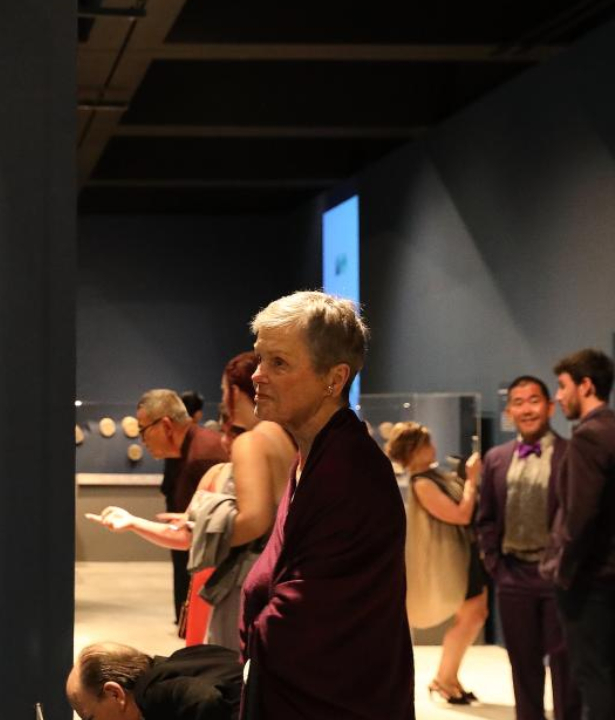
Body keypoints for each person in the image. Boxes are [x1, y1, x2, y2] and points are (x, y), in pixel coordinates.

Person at [240, 291, 413, 719]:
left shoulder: (350, 472)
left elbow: (312, 619)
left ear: (333, 380)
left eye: (278, 363)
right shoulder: (314, 454)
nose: (257, 376)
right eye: (260, 359)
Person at [88, 354, 294, 649]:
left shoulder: (252, 442)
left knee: (231, 676)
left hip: (244, 581)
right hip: (272, 577)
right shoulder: (284, 438)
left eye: (225, 391)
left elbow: (253, 520)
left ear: (236, 391)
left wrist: (200, 530)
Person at [477, 376, 580, 720]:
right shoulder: (495, 458)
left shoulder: (570, 454)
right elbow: (486, 517)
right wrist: (495, 564)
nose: (527, 408)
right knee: (523, 666)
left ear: (550, 407)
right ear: (509, 412)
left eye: (534, 400)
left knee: (565, 668)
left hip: (558, 577)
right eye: (518, 402)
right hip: (512, 576)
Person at [385, 422, 487, 705]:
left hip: (464, 553)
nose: (434, 448)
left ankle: (449, 677)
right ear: (415, 450)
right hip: (454, 557)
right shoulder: (423, 483)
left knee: (474, 614)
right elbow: (461, 515)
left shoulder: (433, 476)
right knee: (472, 615)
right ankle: (443, 679)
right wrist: (472, 479)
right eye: (428, 444)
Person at [543, 349, 615, 718]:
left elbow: (579, 516)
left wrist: (562, 573)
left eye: (562, 386)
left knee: (594, 680)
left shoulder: (589, 437)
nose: (558, 396)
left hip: (591, 583)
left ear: (586, 385)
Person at [140, 389, 228, 624]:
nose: (142, 439)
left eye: (143, 429)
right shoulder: (190, 449)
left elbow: (201, 534)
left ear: (166, 425)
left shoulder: (203, 455)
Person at [66, 642, 242, 720]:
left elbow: (206, 698)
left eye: (90, 719)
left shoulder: (150, 694)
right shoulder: (181, 660)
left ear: (115, 693)